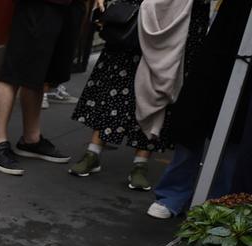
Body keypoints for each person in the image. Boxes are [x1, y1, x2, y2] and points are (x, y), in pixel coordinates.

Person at [68, 0, 208, 191]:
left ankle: (140, 163)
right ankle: (93, 152)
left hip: (180, 17)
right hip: (140, 9)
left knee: (159, 85)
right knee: (116, 80)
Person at [149, 0, 252, 218]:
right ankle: (173, 194)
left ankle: (219, 204)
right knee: (194, 117)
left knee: (238, 131)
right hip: (222, 38)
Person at [0, 0, 87, 175]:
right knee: (14, 73)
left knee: (41, 74)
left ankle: (31, 139)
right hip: (38, 6)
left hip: (70, 6)